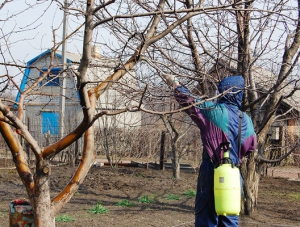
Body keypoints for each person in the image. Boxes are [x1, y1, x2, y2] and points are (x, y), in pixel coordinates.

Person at [164, 74, 257, 227]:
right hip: (234, 173)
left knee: (206, 216)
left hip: (212, 170)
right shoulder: (246, 119)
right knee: (229, 217)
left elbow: (190, 101)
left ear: (223, 92)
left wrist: (175, 84)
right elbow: (251, 147)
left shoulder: (213, 110)